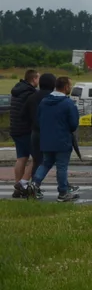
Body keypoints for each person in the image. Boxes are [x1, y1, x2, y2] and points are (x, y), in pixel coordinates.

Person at [29, 75, 81, 202]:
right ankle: (63, 192)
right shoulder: (68, 103)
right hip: (62, 140)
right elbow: (73, 124)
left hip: (46, 139)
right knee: (62, 167)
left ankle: (35, 184)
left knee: (46, 163)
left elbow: (39, 119)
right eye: (70, 85)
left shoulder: (44, 102)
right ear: (66, 87)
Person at [9, 69, 39, 198]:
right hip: (26, 129)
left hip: (15, 128)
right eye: (38, 78)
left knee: (21, 158)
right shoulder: (30, 93)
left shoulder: (17, 90)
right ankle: (23, 183)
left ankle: (17, 186)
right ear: (33, 79)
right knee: (37, 157)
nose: (39, 81)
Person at [25, 73, 57, 181]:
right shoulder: (54, 98)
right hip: (51, 132)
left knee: (37, 161)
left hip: (36, 132)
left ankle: (34, 185)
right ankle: (63, 186)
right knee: (59, 161)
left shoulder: (32, 97)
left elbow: (22, 115)